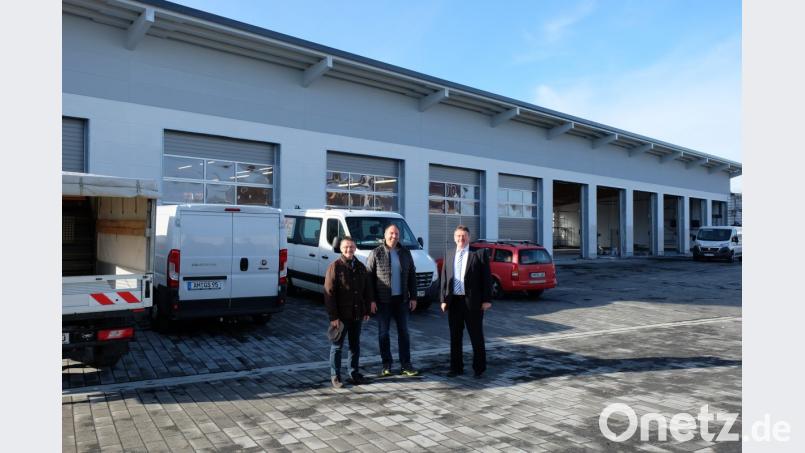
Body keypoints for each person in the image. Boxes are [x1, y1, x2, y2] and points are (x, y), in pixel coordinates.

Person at [439, 225, 493, 378]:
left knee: (476, 336)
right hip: (454, 302)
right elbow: (444, 278)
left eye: (464, 236)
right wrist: (443, 299)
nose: (461, 239)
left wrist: (487, 300)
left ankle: (479, 368)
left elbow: (486, 279)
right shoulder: (449, 254)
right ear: (454, 238)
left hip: (473, 303)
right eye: (458, 236)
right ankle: (456, 368)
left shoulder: (479, 254)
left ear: (469, 237)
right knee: (455, 337)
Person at [367, 223, 419, 377]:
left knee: (404, 333)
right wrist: (371, 300)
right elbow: (369, 278)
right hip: (383, 301)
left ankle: (406, 365)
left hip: (402, 301)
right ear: (385, 235)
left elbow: (412, 276)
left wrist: (414, 297)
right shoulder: (376, 253)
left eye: (396, 233)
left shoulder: (405, 253)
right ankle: (386, 365)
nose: (394, 236)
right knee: (384, 334)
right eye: (391, 233)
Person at [324, 236, 371, 388]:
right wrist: (333, 316)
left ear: (355, 248)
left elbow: (366, 291)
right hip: (341, 317)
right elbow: (329, 293)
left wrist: (366, 310)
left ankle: (353, 373)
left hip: (357, 314)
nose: (349, 249)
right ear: (341, 249)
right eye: (346, 247)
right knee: (337, 347)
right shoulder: (335, 267)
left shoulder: (360, 267)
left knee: (354, 345)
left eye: (351, 247)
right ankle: (335, 376)